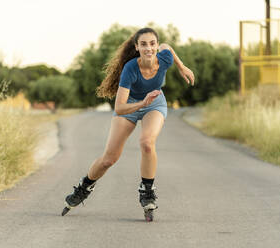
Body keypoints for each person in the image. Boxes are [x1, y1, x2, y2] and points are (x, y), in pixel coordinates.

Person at [61, 27, 194, 220]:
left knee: (147, 142)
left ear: (156, 46)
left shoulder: (164, 58)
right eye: (143, 44)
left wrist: (182, 67)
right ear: (136, 47)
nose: (148, 48)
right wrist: (142, 102)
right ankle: (84, 187)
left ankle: (147, 191)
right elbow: (120, 107)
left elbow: (168, 46)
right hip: (131, 105)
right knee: (109, 159)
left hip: (155, 102)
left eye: (152, 44)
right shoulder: (130, 69)